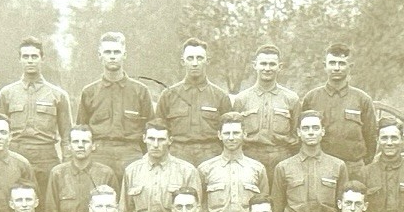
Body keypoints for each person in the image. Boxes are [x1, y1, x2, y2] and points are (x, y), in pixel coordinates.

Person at [75, 31, 155, 184]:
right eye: (107, 52)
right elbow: (81, 130)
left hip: (131, 153)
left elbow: (150, 128)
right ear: (100, 55)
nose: (112, 56)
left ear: (124, 55)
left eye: (117, 52)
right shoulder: (89, 92)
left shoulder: (140, 91)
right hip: (99, 153)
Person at [0, 37, 73, 181]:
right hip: (15, 156)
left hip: (46, 158)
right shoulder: (7, 93)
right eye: (25, 56)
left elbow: (67, 137)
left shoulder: (58, 95)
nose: (30, 60)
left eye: (34, 56)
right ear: (20, 59)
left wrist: (67, 165)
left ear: (42, 58)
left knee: (47, 202)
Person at [271, 110, 351, 212]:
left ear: (322, 131)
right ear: (298, 132)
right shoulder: (284, 167)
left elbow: (344, 205)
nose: (311, 132)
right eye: (306, 128)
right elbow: (277, 207)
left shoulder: (338, 166)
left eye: (315, 128)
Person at [155, 40, 233, 167]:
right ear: (182, 61)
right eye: (190, 58)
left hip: (211, 156)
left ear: (207, 61)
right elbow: (158, 130)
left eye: (200, 58)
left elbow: (230, 132)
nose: (195, 63)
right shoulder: (168, 95)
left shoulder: (220, 96)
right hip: (177, 155)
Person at [300, 42, 378, 168]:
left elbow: (371, 137)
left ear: (350, 67)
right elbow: (302, 134)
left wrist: (362, 163)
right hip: (319, 166)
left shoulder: (362, 99)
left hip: (353, 167)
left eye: (341, 63)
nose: (336, 68)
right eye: (332, 63)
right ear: (325, 66)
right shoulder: (311, 98)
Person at [120, 121, 202, 212]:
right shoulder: (132, 170)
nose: (156, 144)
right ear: (144, 139)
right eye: (151, 139)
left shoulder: (187, 171)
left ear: (170, 140)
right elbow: (124, 210)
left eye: (161, 139)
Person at [232, 44, 300, 177]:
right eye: (263, 63)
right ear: (255, 65)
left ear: (279, 67)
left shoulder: (291, 99)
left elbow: (296, 134)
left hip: (282, 157)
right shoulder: (242, 99)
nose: (267, 68)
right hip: (250, 156)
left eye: (272, 64)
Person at [196, 116, 269, 212]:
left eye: (235, 133)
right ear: (219, 135)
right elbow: (198, 204)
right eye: (226, 133)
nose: (231, 138)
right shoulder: (205, 169)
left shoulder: (257, 168)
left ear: (244, 134)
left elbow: (264, 204)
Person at [41, 126, 116, 212]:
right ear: (69, 146)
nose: (80, 145)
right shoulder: (57, 173)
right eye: (76, 142)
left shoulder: (106, 174)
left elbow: (114, 211)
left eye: (85, 141)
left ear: (93, 146)